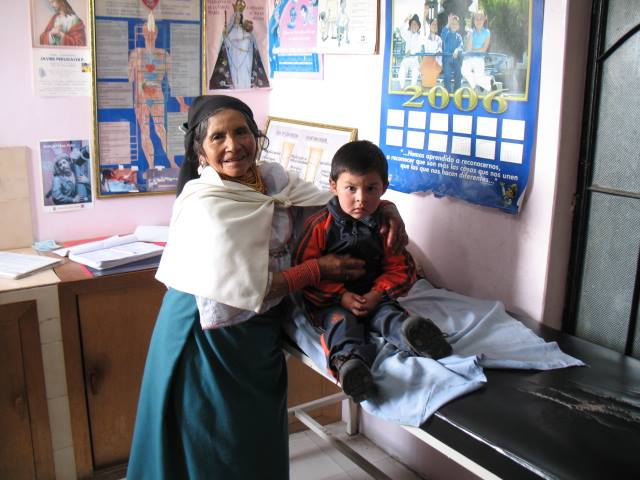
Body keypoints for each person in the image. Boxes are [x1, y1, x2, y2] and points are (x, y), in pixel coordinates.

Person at [127, 95, 408, 478]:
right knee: (213, 439)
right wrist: (315, 270)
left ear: (256, 135)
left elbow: (336, 203)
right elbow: (239, 288)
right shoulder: (205, 204)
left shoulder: (273, 180)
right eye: (218, 137)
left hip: (257, 333)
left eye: (241, 131)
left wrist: (384, 207)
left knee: (255, 434)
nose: (233, 145)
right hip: (206, 336)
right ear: (200, 152)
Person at [293, 140, 453, 403]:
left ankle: (416, 336)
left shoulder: (386, 226)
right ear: (333, 186)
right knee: (340, 324)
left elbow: (400, 267)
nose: (361, 198)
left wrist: (378, 294)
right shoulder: (319, 225)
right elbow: (306, 273)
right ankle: (351, 366)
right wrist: (341, 296)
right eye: (351, 188)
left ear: (384, 188)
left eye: (370, 189)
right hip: (333, 302)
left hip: (375, 295)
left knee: (388, 315)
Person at [128, 13, 187, 170]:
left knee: (161, 129)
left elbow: (173, 80)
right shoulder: (136, 54)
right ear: (143, 33)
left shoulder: (164, 55)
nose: (150, 34)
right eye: (147, 31)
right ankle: (151, 166)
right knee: (145, 131)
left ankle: (172, 163)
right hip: (141, 99)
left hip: (157, 96)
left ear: (156, 34)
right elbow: (128, 79)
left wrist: (182, 102)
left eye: (152, 32)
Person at [209, 0, 270, 90]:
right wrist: (225, 36)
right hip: (235, 57)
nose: (237, 19)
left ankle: (245, 85)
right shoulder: (231, 30)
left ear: (241, 18)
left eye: (239, 17)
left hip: (244, 57)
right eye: (236, 17)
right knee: (235, 73)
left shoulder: (245, 30)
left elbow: (250, 39)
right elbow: (228, 43)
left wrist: (245, 40)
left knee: (245, 72)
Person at [461, 10, 493, 92]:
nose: (478, 21)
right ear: (474, 20)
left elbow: (483, 50)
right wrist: (471, 34)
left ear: (484, 19)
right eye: (476, 19)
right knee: (464, 71)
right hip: (469, 58)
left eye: (481, 18)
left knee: (479, 79)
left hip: (479, 58)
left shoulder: (487, 32)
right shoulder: (471, 32)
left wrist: (473, 50)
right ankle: (485, 82)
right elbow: (468, 49)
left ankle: (487, 84)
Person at [397, 14, 423, 88]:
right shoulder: (407, 34)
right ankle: (402, 88)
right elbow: (401, 30)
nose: (413, 26)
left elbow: (418, 47)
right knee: (401, 72)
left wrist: (411, 52)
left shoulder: (420, 37)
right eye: (412, 24)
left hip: (415, 59)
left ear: (418, 27)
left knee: (415, 72)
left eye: (415, 24)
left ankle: (412, 88)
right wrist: (406, 19)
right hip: (406, 59)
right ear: (410, 25)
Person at [441, 14, 464, 92]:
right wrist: (448, 23)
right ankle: (448, 92)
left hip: (456, 59)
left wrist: (457, 50)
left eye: (456, 24)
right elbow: (442, 35)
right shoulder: (446, 34)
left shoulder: (459, 37)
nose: (454, 25)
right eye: (452, 23)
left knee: (458, 74)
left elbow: (461, 46)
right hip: (447, 58)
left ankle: (456, 92)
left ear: (458, 26)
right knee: (447, 75)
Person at [420, 17, 443, 88]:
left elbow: (439, 50)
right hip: (426, 63)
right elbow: (423, 26)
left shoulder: (439, 39)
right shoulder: (425, 37)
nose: (435, 26)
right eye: (433, 24)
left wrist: (438, 53)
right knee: (425, 86)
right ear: (429, 26)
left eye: (436, 24)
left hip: (435, 63)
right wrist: (424, 14)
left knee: (432, 88)